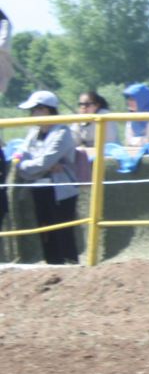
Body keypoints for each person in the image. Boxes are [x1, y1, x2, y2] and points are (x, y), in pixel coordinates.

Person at [13, 90, 81, 265]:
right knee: (45, 231)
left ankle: (70, 266)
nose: (31, 114)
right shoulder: (34, 132)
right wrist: (27, 165)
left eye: (35, 110)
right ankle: (52, 265)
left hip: (60, 190)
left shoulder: (62, 133)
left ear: (46, 110)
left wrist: (27, 166)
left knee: (63, 231)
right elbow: (19, 156)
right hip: (39, 187)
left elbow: (42, 161)